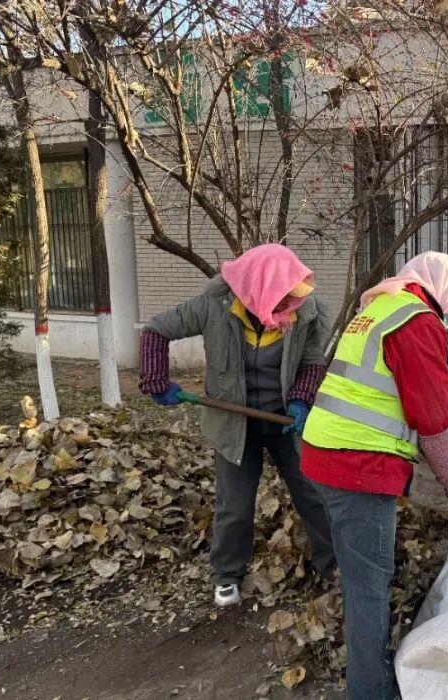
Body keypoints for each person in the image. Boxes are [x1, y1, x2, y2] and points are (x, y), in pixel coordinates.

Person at [300, 252, 448, 699]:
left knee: (357, 574)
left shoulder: (382, 307)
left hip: (326, 452)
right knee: (368, 586)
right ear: (444, 294)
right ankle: (371, 691)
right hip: (357, 466)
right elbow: (434, 417)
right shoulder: (416, 321)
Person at [138, 244, 335, 608]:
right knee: (235, 502)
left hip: (283, 420)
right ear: (258, 289)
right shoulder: (215, 306)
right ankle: (227, 574)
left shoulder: (305, 313)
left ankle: (333, 565)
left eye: (292, 297)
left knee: (311, 493)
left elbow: (311, 362)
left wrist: (300, 399)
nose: (289, 305)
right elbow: (155, 330)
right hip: (233, 422)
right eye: (282, 298)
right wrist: (155, 380)